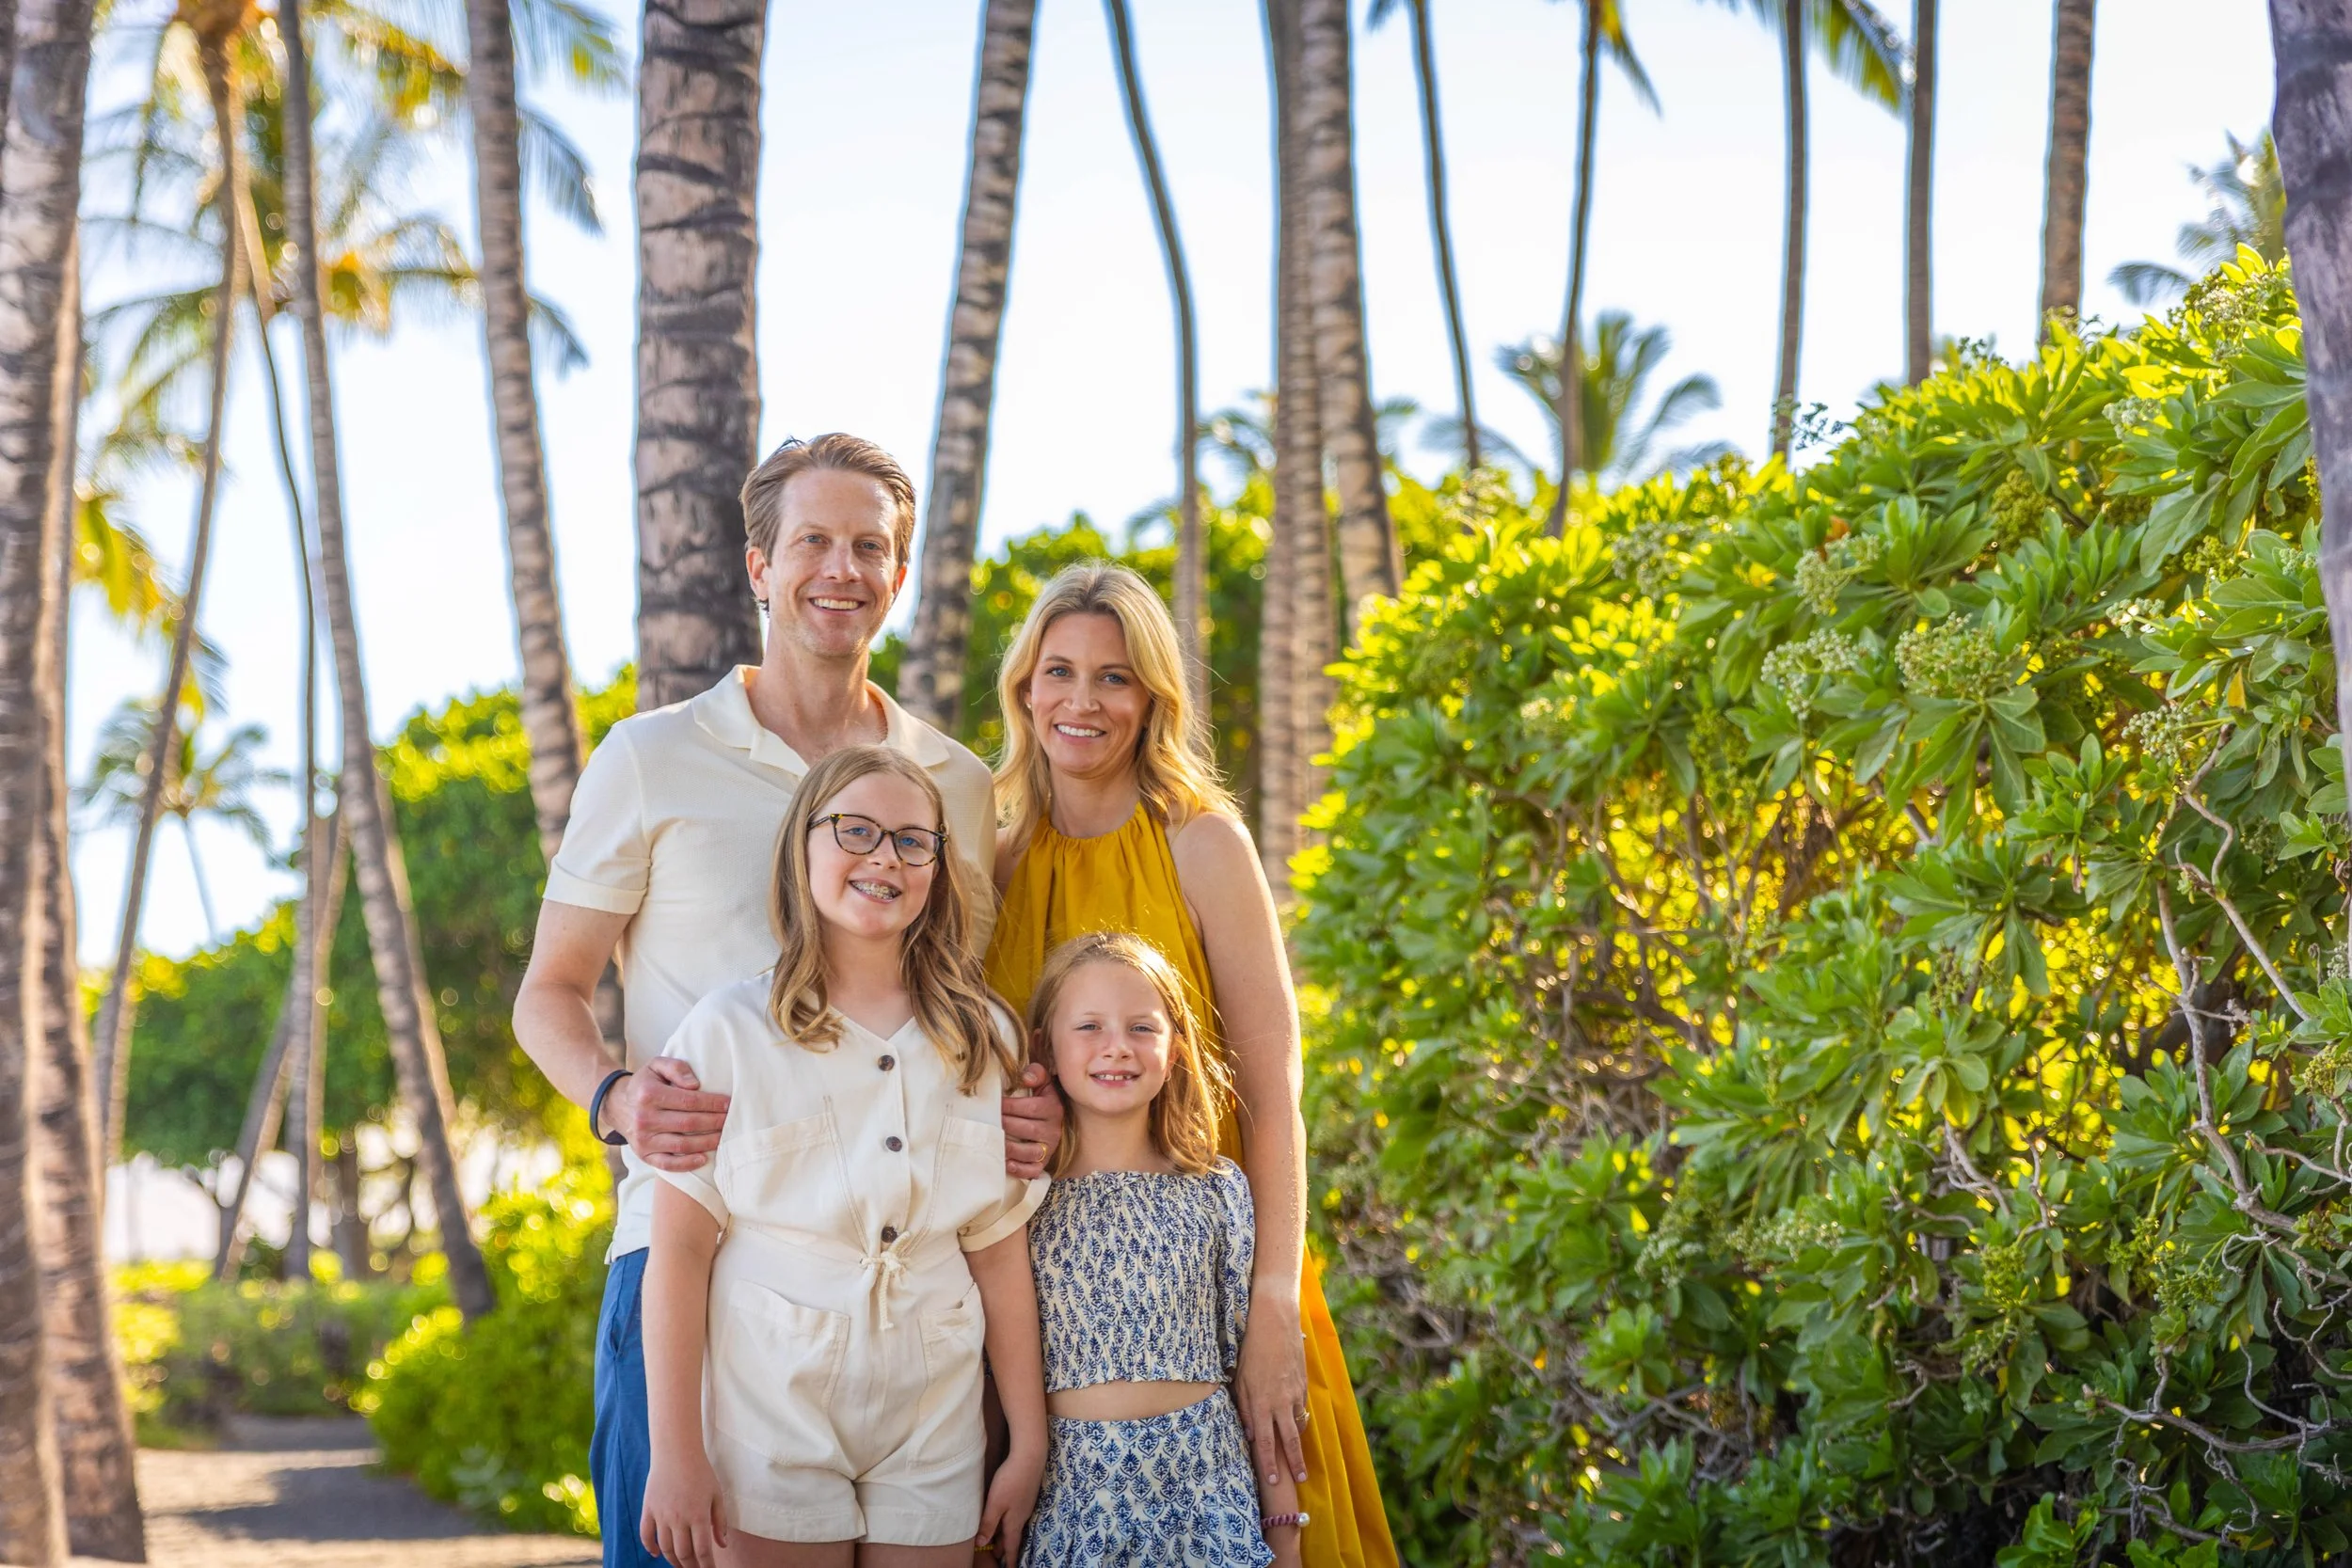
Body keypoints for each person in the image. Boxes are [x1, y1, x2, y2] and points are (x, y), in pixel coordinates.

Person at [512, 434, 1063, 1568]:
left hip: (910, 1310)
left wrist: (1033, 1105)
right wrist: (615, 1097)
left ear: (898, 576)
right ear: (759, 566)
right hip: (684, 1256)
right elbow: (549, 994)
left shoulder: (952, 781)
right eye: (811, 540)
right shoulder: (650, 755)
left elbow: (957, 1008)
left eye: (870, 546)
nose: (841, 568)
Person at [982, 565, 1398, 1567]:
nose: (1084, 700)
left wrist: (1270, 1306)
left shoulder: (1202, 841)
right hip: (1037, 1302)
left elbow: (1272, 1080)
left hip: (1212, 1274)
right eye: (1061, 671)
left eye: (1116, 677)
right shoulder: (987, 860)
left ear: (1154, 696)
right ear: (1024, 689)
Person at [638, 747, 1048, 1567]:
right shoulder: (728, 1032)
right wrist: (676, 1452)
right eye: (855, 830)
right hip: (770, 1405)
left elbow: (1000, 1254)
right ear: (803, 847)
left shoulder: (985, 1039)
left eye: (911, 840)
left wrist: (1028, 1444)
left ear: (938, 867)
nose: (883, 857)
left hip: (935, 1416)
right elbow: (679, 1251)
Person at [1019, 931, 1295, 1568]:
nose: (1117, 1045)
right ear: (1046, 1048)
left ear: (1173, 1049)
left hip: (1209, 1496)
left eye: (1142, 1027)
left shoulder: (1218, 1190)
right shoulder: (1022, 1202)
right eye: (1089, 1025)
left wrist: (1284, 1529)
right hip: (1078, 1504)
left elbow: (1250, 1377)